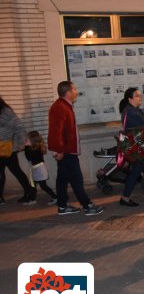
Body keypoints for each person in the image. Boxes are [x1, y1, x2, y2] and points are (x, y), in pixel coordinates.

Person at [48, 81, 104, 216]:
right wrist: (58, 150)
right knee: (76, 179)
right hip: (66, 151)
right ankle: (87, 206)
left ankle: (62, 206)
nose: (76, 91)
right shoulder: (60, 107)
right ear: (68, 92)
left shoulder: (64, 106)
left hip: (66, 150)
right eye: (74, 89)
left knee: (62, 179)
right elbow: (56, 131)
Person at [118, 87, 144, 207]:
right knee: (139, 170)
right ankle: (125, 197)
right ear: (130, 99)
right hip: (139, 148)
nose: (140, 97)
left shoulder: (134, 110)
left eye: (140, 95)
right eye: (137, 96)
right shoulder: (131, 112)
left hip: (140, 147)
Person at [0, 97, 34, 205]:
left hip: (7, 148)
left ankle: (29, 192)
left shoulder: (5, 111)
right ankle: (29, 191)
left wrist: (19, 144)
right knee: (10, 171)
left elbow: (19, 126)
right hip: (3, 147)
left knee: (16, 171)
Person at [24, 131, 57, 205]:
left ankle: (55, 197)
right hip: (36, 169)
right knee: (33, 185)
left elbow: (29, 158)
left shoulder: (35, 149)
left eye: (27, 139)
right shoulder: (33, 148)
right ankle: (32, 199)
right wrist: (26, 147)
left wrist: (26, 147)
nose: (25, 140)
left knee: (43, 186)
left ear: (32, 141)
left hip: (39, 170)